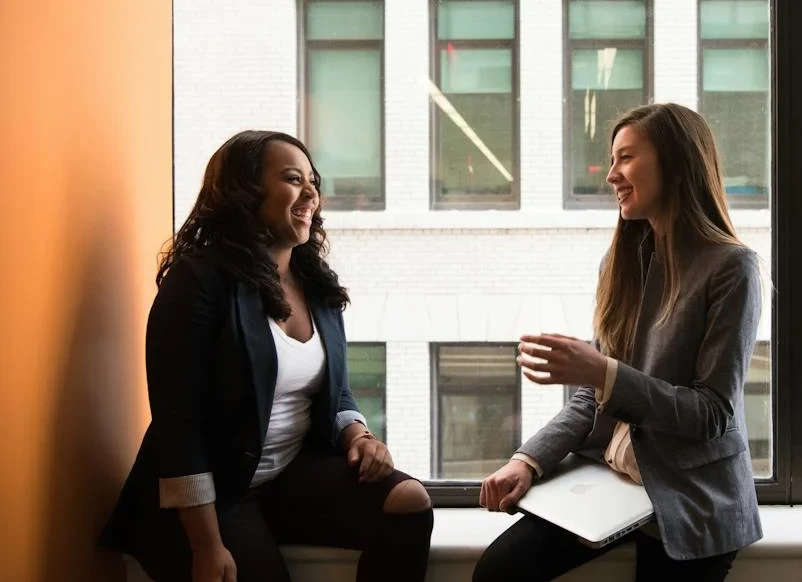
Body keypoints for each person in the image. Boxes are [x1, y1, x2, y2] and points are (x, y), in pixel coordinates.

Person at [100, 130, 433, 582]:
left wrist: (358, 436)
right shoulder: (198, 280)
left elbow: (333, 391)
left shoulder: (315, 283)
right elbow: (179, 427)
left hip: (288, 477)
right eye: (294, 179)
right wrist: (206, 545)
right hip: (214, 498)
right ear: (244, 192)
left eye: (313, 180)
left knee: (409, 502)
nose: (312, 192)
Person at [473, 103, 763, 582]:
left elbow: (712, 414)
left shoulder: (732, 268)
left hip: (692, 495)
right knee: (498, 571)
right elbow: (592, 397)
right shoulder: (620, 263)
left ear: (676, 161)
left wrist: (603, 372)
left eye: (625, 158)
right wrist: (527, 460)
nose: (611, 176)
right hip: (614, 482)